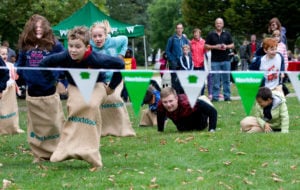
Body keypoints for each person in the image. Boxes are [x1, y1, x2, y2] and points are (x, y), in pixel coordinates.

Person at [39, 26, 124, 170]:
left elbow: (120, 64)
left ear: (87, 47)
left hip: (97, 85)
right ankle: (65, 149)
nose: (73, 50)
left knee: (90, 106)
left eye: (78, 47)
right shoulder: (65, 56)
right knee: (75, 110)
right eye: (71, 46)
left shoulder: (96, 58)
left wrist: (112, 86)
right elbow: (43, 64)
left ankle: (91, 153)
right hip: (75, 86)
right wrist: (56, 83)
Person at [15, 14, 65, 163]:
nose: (39, 30)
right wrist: (20, 73)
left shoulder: (55, 45)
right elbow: (20, 63)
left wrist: (55, 78)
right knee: (36, 125)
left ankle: (55, 151)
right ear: (30, 29)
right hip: (32, 91)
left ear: (46, 27)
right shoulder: (26, 45)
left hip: (49, 90)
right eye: (35, 27)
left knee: (53, 122)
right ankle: (39, 153)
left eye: (41, 26)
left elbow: (62, 62)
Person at [90, 21, 135, 137]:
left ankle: (123, 128)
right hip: (100, 80)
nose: (97, 39)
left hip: (115, 78)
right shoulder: (89, 45)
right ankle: (101, 129)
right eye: (95, 36)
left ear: (105, 35)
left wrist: (121, 54)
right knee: (99, 101)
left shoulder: (113, 41)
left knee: (114, 98)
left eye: (100, 36)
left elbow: (125, 38)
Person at [205, 18, 235, 101]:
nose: (219, 25)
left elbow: (232, 45)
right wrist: (215, 46)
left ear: (223, 24)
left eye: (220, 23)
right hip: (215, 61)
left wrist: (226, 46)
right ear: (215, 24)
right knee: (216, 80)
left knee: (226, 79)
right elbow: (206, 46)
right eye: (217, 23)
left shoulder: (227, 34)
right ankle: (215, 97)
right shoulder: (211, 34)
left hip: (226, 60)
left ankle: (227, 96)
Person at [0, 46, 24, 135]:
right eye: (2, 54)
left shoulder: (10, 65)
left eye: (6, 54)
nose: (5, 55)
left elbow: (13, 77)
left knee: (12, 108)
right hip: (3, 89)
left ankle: (13, 126)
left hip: (9, 88)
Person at [165, 23, 189, 94]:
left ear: (183, 29)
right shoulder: (171, 39)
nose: (179, 30)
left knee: (183, 79)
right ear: (176, 29)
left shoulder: (185, 39)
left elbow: (188, 49)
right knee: (175, 80)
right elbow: (167, 51)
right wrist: (172, 60)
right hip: (174, 63)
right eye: (178, 28)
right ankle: (175, 95)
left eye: (180, 28)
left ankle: (183, 95)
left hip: (183, 63)